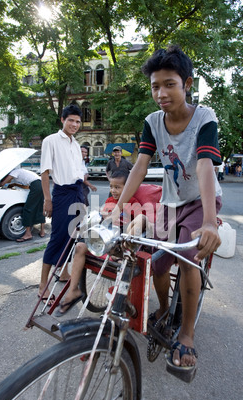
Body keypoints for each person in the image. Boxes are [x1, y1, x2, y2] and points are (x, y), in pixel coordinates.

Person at [111, 45, 222, 381]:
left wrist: (208, 221)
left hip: (201, 202)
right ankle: (165, 308)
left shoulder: (205, 118)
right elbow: (140, 167)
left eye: (169, 84)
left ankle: (186, 334)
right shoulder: (152, 123)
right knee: (156, 262)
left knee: (188, 253)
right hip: (170, 202)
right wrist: (114, 211)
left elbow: (204, 165)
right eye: (155, 86)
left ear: (187, 83)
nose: (161, 93)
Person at [54, 169, 147, 317]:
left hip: (122, 240)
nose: (113, 190)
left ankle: (121, 252)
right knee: (79, 246)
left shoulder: (133, 203)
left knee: (140, 219)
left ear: (128, 188)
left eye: (117, 187)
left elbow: (138, 224)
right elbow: (101, 221)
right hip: (104, 238)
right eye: (111, 187)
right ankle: (73, 291)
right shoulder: (110, 201)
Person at [38, 104, 86, 306]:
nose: (74, 124)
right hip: (62, 194)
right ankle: (42, 285)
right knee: (58, 237)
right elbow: (45, 173)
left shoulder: (76, 145)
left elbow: (80, 171)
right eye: (71, 120)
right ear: (63, 120)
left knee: (75, 236)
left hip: (78, 193)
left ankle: (65, 272)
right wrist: (47, 199)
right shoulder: (51, 141)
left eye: (77, 121)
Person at [0, 168, 45, 241]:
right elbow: (27, 186)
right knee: (39, 207)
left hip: (37, 186)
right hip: (42, 184)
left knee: (28, 209)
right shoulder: (22, 171)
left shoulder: (14, 172)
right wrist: (15, 184)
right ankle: (42, 231)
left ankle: (28, 234)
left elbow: (3, 183)